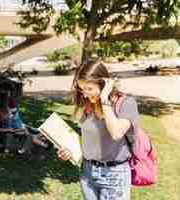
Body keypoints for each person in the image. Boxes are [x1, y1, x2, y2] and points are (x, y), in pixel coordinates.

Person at [57, 59, 140, 200]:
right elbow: (88, 137)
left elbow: (116, 133)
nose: (85, 94)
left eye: (89, 89)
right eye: (81, 89)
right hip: (88, 173)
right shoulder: (88, 104)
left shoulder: (126, 103)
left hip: (114, 175)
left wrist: (105, 100)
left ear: (104, 84)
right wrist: (70, 150)